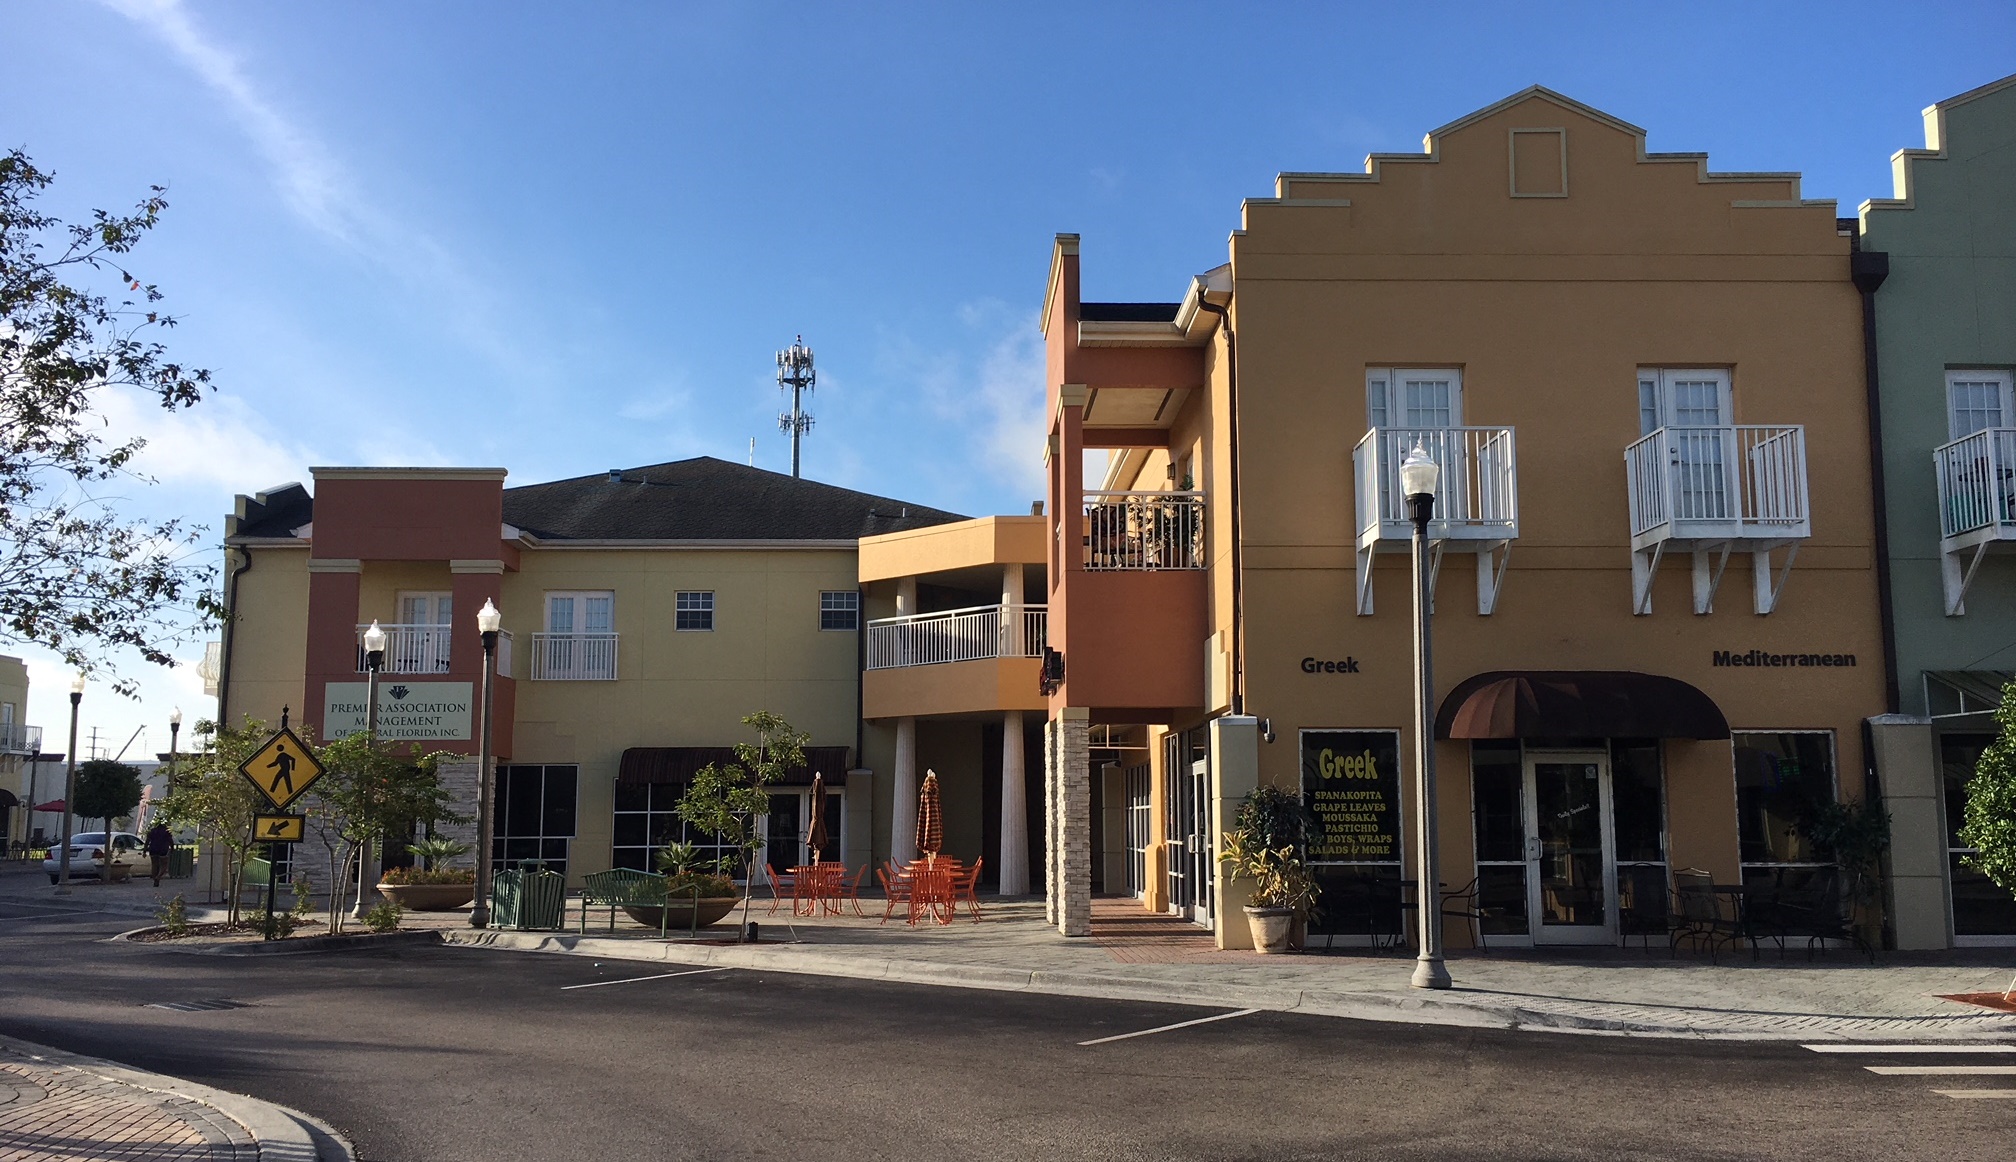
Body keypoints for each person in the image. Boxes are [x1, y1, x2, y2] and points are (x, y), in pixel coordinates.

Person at [146, 822, 174, 887]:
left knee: (154, 864)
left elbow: (147, 841)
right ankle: (158, 877)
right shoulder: (167, 831)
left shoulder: (152, 831)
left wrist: (145, 850)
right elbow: (170, 841)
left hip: (153, 848)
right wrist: (172, 848)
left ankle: (154, 878)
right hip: (163, 849)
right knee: (164, 865)